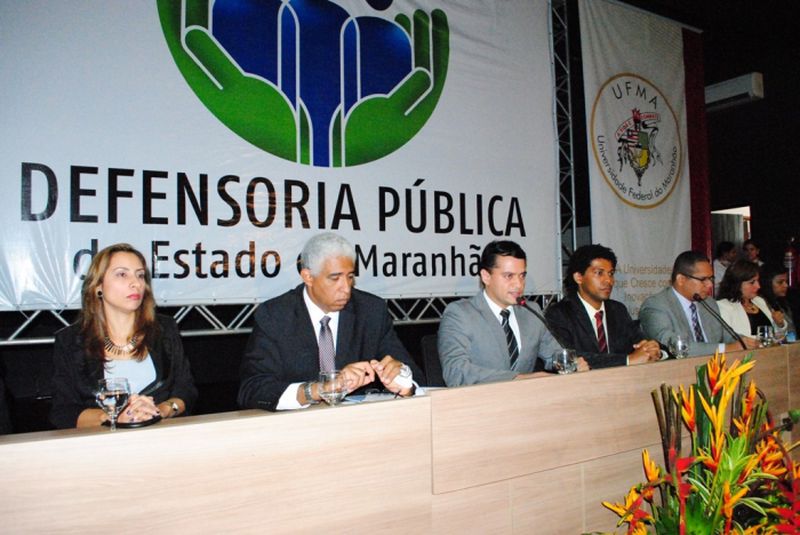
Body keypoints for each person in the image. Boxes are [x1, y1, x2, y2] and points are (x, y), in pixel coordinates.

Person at [238, 233, 421, 411]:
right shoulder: (275, 315)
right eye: (335, 278)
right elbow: (253, 389)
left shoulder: (371, 311)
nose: (346, 288)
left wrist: (402, 380)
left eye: (350, 277)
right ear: (308, 277)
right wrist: (319, 389)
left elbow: (415, 378)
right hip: (297, 430)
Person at [50, 243, 197, 429]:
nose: (135, 283)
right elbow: (63, 411)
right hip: (100, 447)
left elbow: (186, 391)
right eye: (122, 274)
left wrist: (161, 410)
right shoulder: (71, 340)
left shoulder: (165, 330)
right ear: (98, 286)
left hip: (161, 439)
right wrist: (113, 417)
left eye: (140, 275)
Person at [437, 240, 586, 387]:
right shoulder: (460, 314)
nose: (519, 284)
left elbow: (554, 356)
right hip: (480, 405)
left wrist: (573, 365)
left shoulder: (531, 311)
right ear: (486, 277)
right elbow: (456, 372)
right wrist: (518, 378)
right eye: (509, 276)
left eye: (522, 275)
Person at [545, 244, 661, 369]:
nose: (608, 281)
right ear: (579, 277)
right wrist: (627, 360)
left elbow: (639, 343)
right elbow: (569, 358)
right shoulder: (559, 314)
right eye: (599, 273)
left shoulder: (618, 310)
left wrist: (650, 349)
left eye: (610, 274)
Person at [639, 251, 758, 357]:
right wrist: (724, 349)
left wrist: (748, 342)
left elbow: (727, 335)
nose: (710, 285)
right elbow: (675, 346)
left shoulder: (708, 302)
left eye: (711, 279)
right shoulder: (656, 306)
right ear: (681, 279)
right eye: (703, 279)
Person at [716, 260, 788, 337]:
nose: (758, 286)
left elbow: (776, 335)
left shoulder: (759, 301)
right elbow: (729, 339)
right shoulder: (724, 306)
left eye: (758, 281)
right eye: (752, 282)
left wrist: (779, 324)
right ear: (737, 284)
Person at [759, 263, 796, 336]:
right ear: (767, 283)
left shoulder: (784, 300)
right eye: (780, 282)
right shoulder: (760, 302)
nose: (786, 285)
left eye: (786, 281)